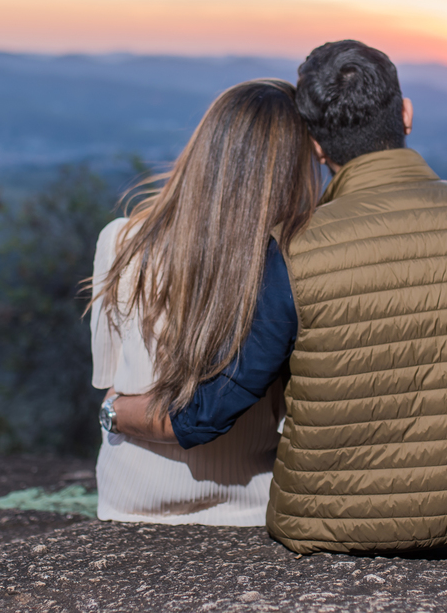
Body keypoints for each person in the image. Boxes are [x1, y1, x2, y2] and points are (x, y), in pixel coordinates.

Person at [110, 40, 447, 557]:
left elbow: (207, 413)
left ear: (318, 147)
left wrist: (116, 411)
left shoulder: (292, 247)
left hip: (330, 530)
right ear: (406, 114)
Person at [89, 78, 320, 525]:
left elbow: (110, 386)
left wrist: (115, 414)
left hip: (133, 500)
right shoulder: (297, 259)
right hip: (254, 501)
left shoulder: (120, 242)